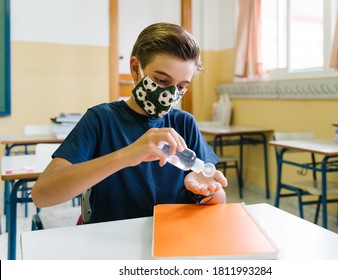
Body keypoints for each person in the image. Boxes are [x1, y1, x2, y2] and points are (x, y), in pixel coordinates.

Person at [31, 22, 228, 223]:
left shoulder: (184, 124)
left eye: (180, 86)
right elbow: (42, 195)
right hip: (113, 240)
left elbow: (218, 199)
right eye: (161, 81)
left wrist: (205, 193)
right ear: (135, 69)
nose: (170, 94)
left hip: (171, 238)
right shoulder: (101, 120)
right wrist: (127, 155)